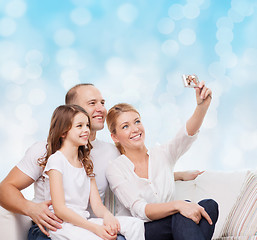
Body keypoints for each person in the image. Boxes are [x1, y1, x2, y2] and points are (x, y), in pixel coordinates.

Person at [0, 83, 203, 240]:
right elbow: (5, 188)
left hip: (89, 227)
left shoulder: (110, 153)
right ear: (72, 110)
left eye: (102, 102)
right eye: (92, 103)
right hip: (53, 229)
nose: (101, 109)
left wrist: (177, 175)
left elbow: (134, 173)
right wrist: (30, 208)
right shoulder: (46, 151)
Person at [106, 81, 219, 240]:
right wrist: (178, 205)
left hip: (173, 225)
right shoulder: (115, 168)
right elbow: (140, 210)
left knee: (209, 205)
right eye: (125, 126)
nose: (135, 129)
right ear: (115, 137)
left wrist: (202, 107)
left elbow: (186, 136)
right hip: (142, 231)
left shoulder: (162, 154)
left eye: (137, 121)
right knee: (183, 211)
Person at [41, 104, 144, 240]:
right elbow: (60, 209)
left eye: (87, 125)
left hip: (83, 221)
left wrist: (108, 217)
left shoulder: (85, 162)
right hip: (62, 225)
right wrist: (96, 229)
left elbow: (97, 205)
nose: (86, 130)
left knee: (135, 224)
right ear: (63, 132)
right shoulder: (56, 160)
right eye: (79, 126)